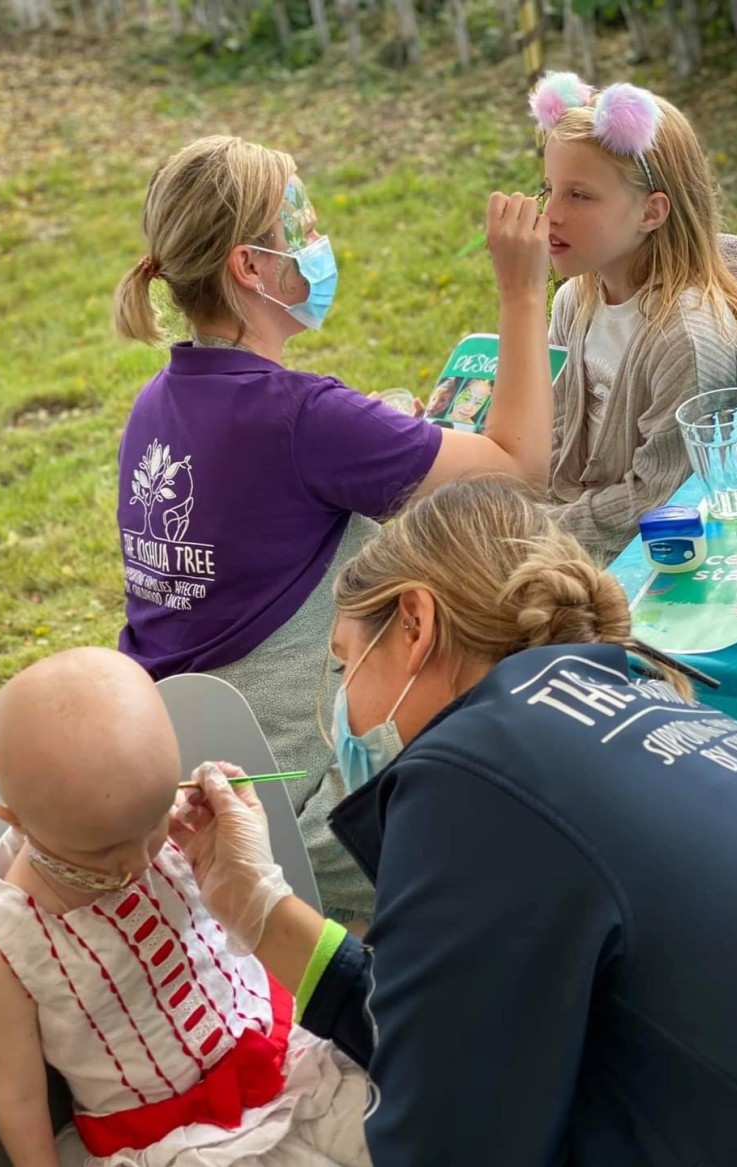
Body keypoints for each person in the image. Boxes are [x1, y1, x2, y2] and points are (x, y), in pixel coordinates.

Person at [174, 477, 737, 1166]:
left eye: (344, 664)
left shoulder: (469, 770)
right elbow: (460, 1042)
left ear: (414, 624)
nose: (342, 703)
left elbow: (440, 1144)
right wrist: (257, 904)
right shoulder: (644, 707)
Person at [112, 134, 553, 924]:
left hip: (177, 789)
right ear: (249, 266)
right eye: (301, 227)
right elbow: (517, 464)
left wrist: (365, 435)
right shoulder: (303, 416)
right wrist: (522, 293)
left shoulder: (157, 402)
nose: (317, 242)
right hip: (297, 822)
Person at [0, 647, 371, 1167]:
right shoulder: (10, 944)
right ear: (15, 819)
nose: (135, 862)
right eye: (101, 851)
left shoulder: (180, 826)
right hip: (170, 1142)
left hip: (288, 1058)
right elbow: (18, 1096)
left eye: (150, 823)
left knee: (401, 1125)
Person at [531, 72, 737, 564]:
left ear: (651, 213)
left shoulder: (686, 339)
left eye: (579, 195)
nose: (551, 214)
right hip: (563, 536)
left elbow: (658, 497)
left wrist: (535, 528)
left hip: (647, 559)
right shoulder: (574, 302)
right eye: (549, 189)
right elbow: (554, 433)